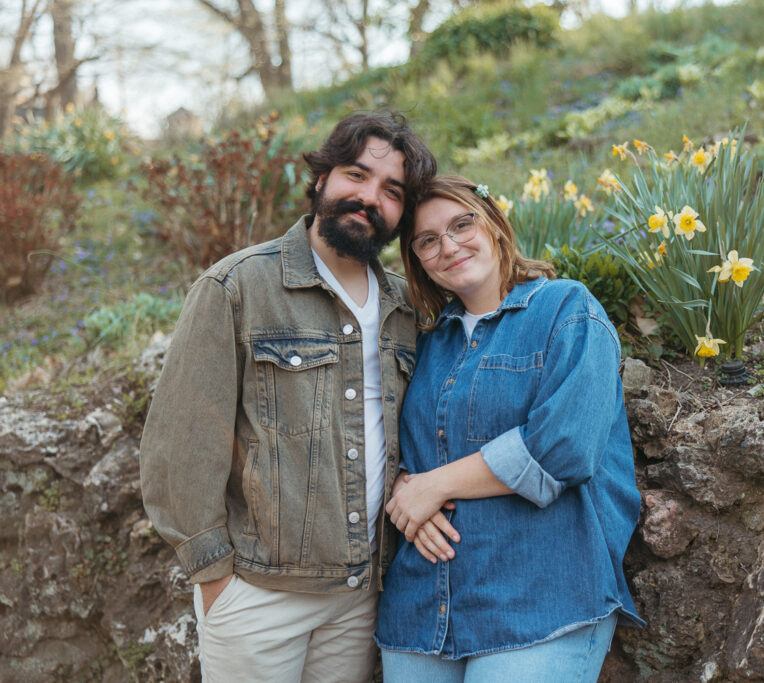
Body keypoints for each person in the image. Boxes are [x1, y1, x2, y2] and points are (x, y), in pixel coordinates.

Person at [139, 111, 437, 682]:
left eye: (391, 190)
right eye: (356, 174)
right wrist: (214, 579)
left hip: (359, 595)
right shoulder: (236, 287)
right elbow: (180, 443)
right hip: (257, 595)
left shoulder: (407, 307)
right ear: (322, 177)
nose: (369, 197)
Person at [375, 175, 644, 681]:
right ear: (417, 261)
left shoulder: (566, 309)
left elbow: (564, 447)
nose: (449, 246)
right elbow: (390, 444)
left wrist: (435, 484)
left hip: (540, 598)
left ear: (495, 226)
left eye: (461, 224)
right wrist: (404, 486)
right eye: (428, 241)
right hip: (423, 609)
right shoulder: (426, 345)